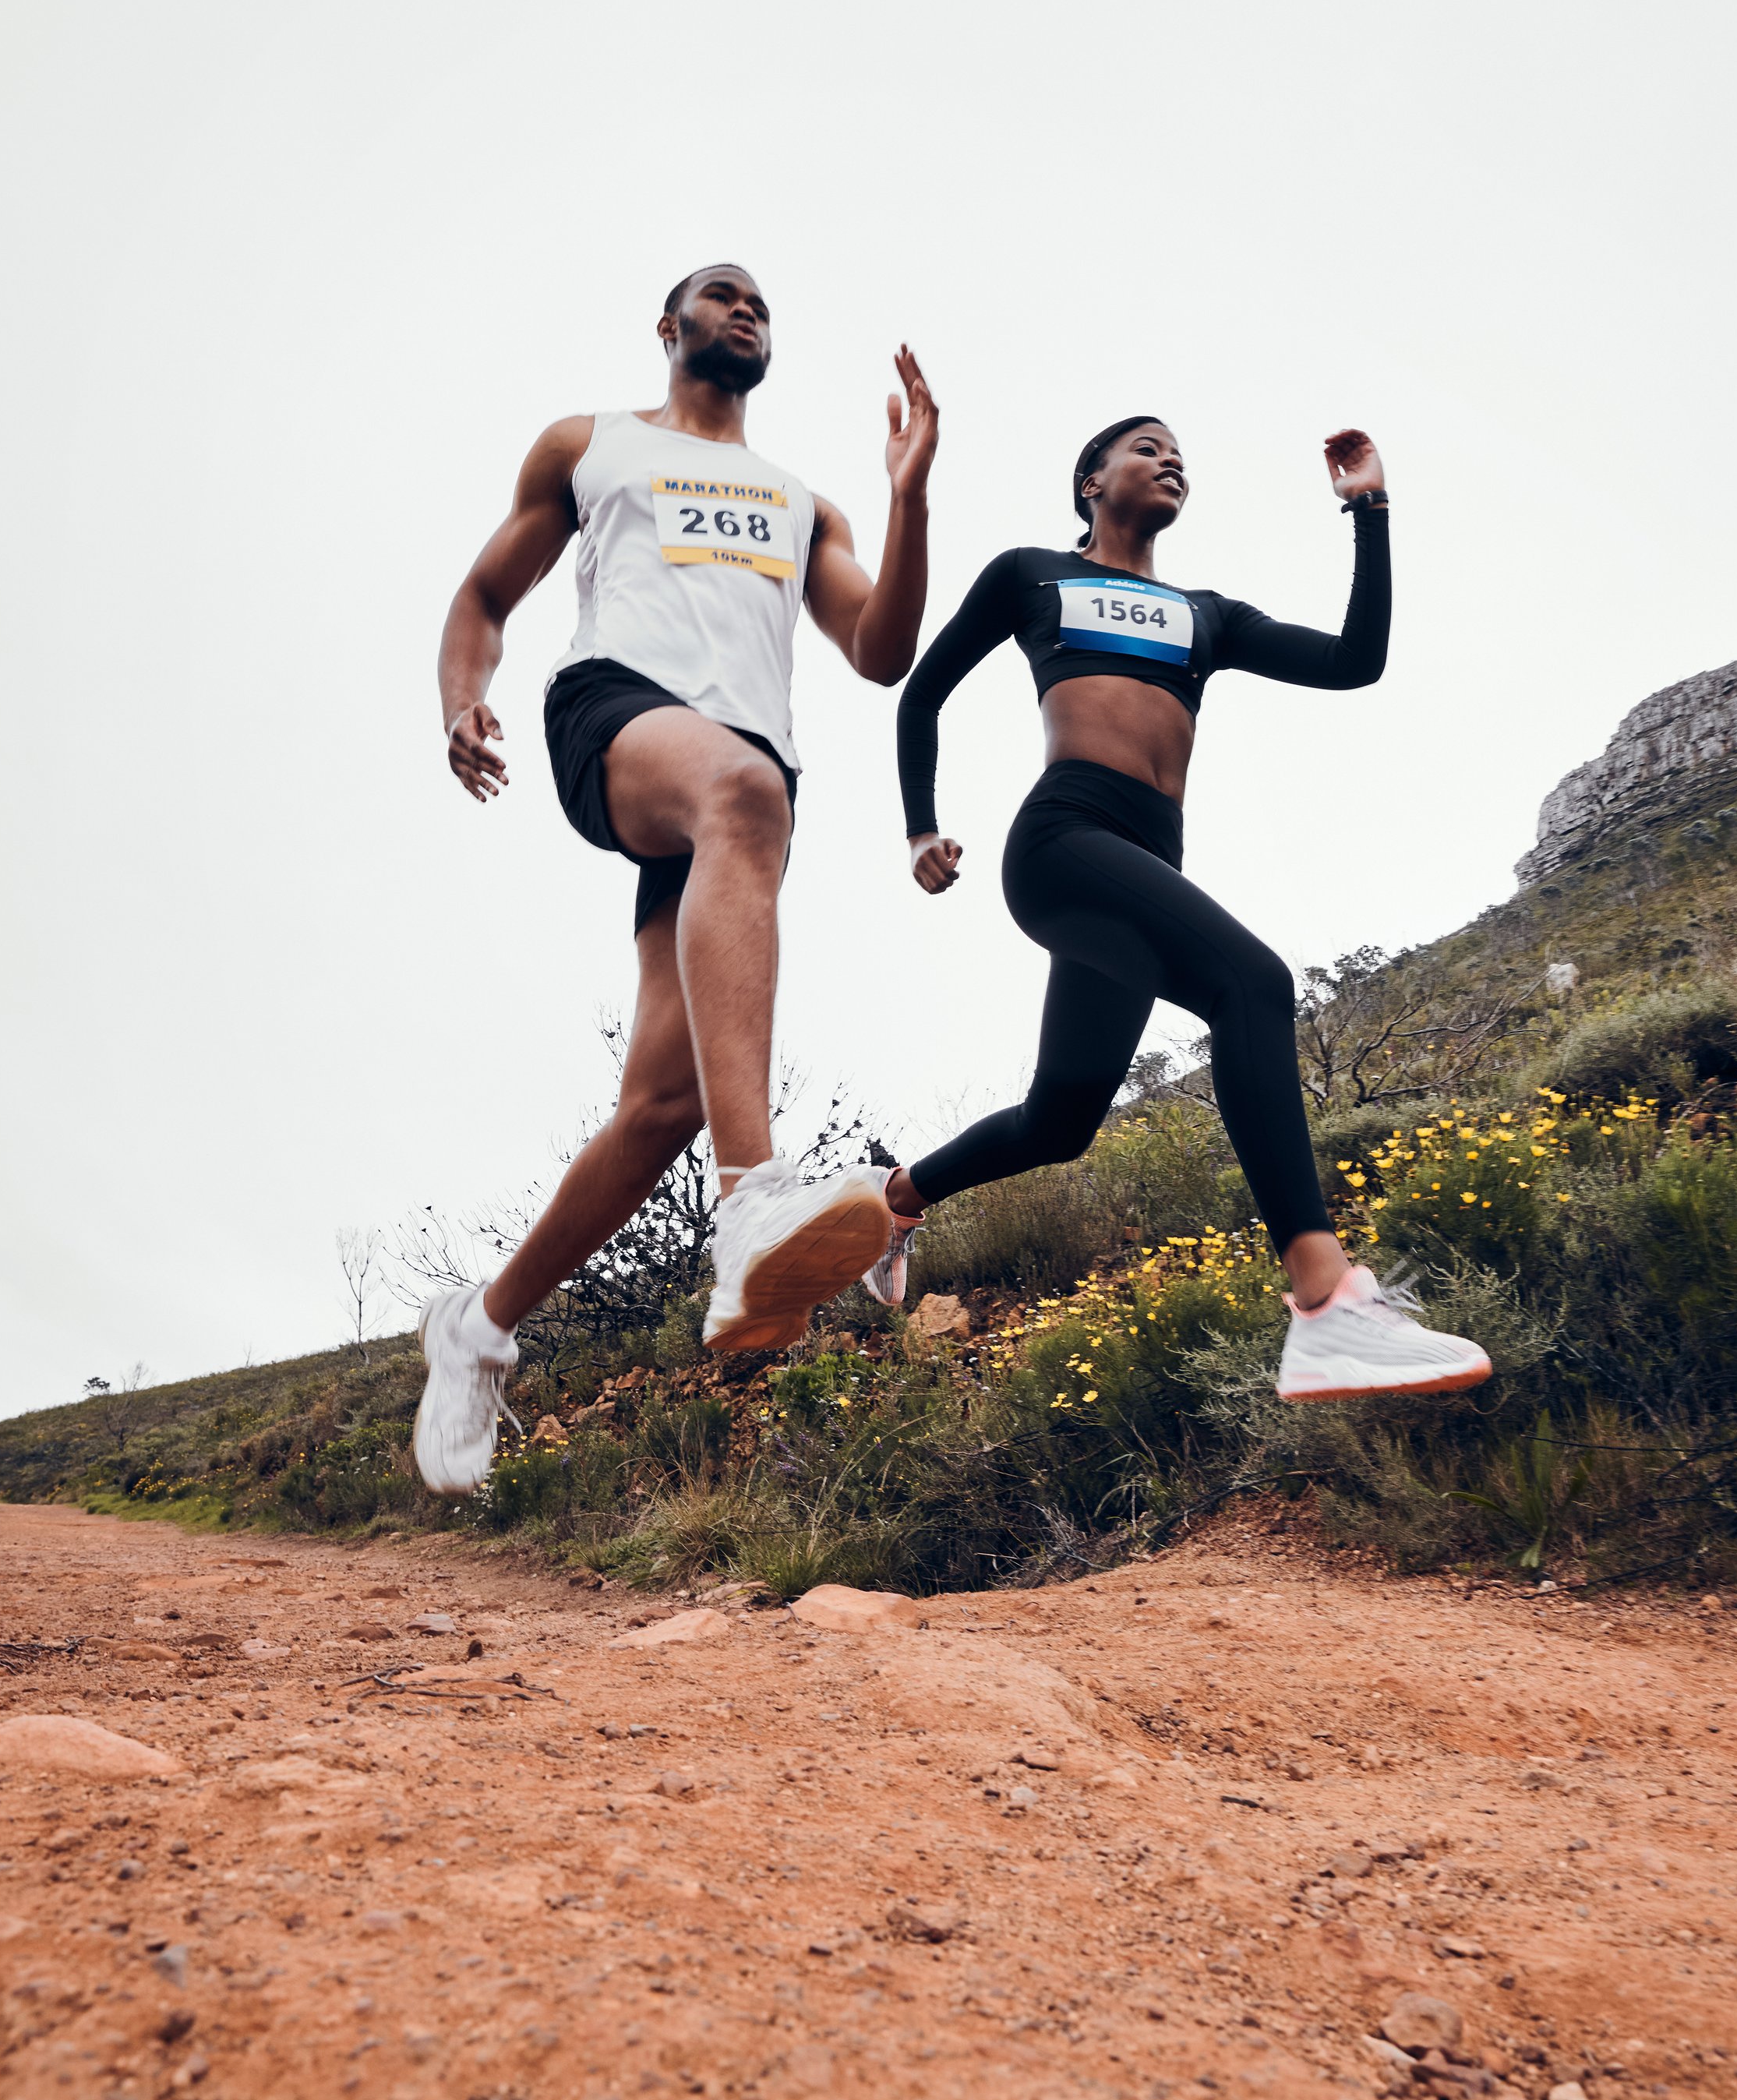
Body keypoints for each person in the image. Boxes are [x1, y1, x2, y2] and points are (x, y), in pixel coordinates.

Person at [414, 263, 941, 1491]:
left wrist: (906, 499)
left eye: (762, 301)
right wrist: (461, 699)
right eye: (720, 293)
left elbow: (882, 650)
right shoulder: (590, 444)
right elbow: (485, 597)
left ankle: (479, 1327)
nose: (746, 308)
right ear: (671, 326)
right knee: (740, 793)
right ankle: (755, 1199)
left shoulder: (806, 503)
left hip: (734, 805)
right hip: (620, 717)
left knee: (663, 1104)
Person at [869, 415, 1491, 1402]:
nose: (1170, 459)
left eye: (1180, 455)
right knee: (1253, 984)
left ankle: (893, 1201)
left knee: (1061, 1119)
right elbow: (922, 695)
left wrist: (1367, 510)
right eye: (1145, 446)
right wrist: (919, 828)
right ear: (1090, 478)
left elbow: (1355, 660)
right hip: (1065, 841)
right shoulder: (1031, 574)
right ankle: (1325, 1302)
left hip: (1140, 861)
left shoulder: (1206, 614)